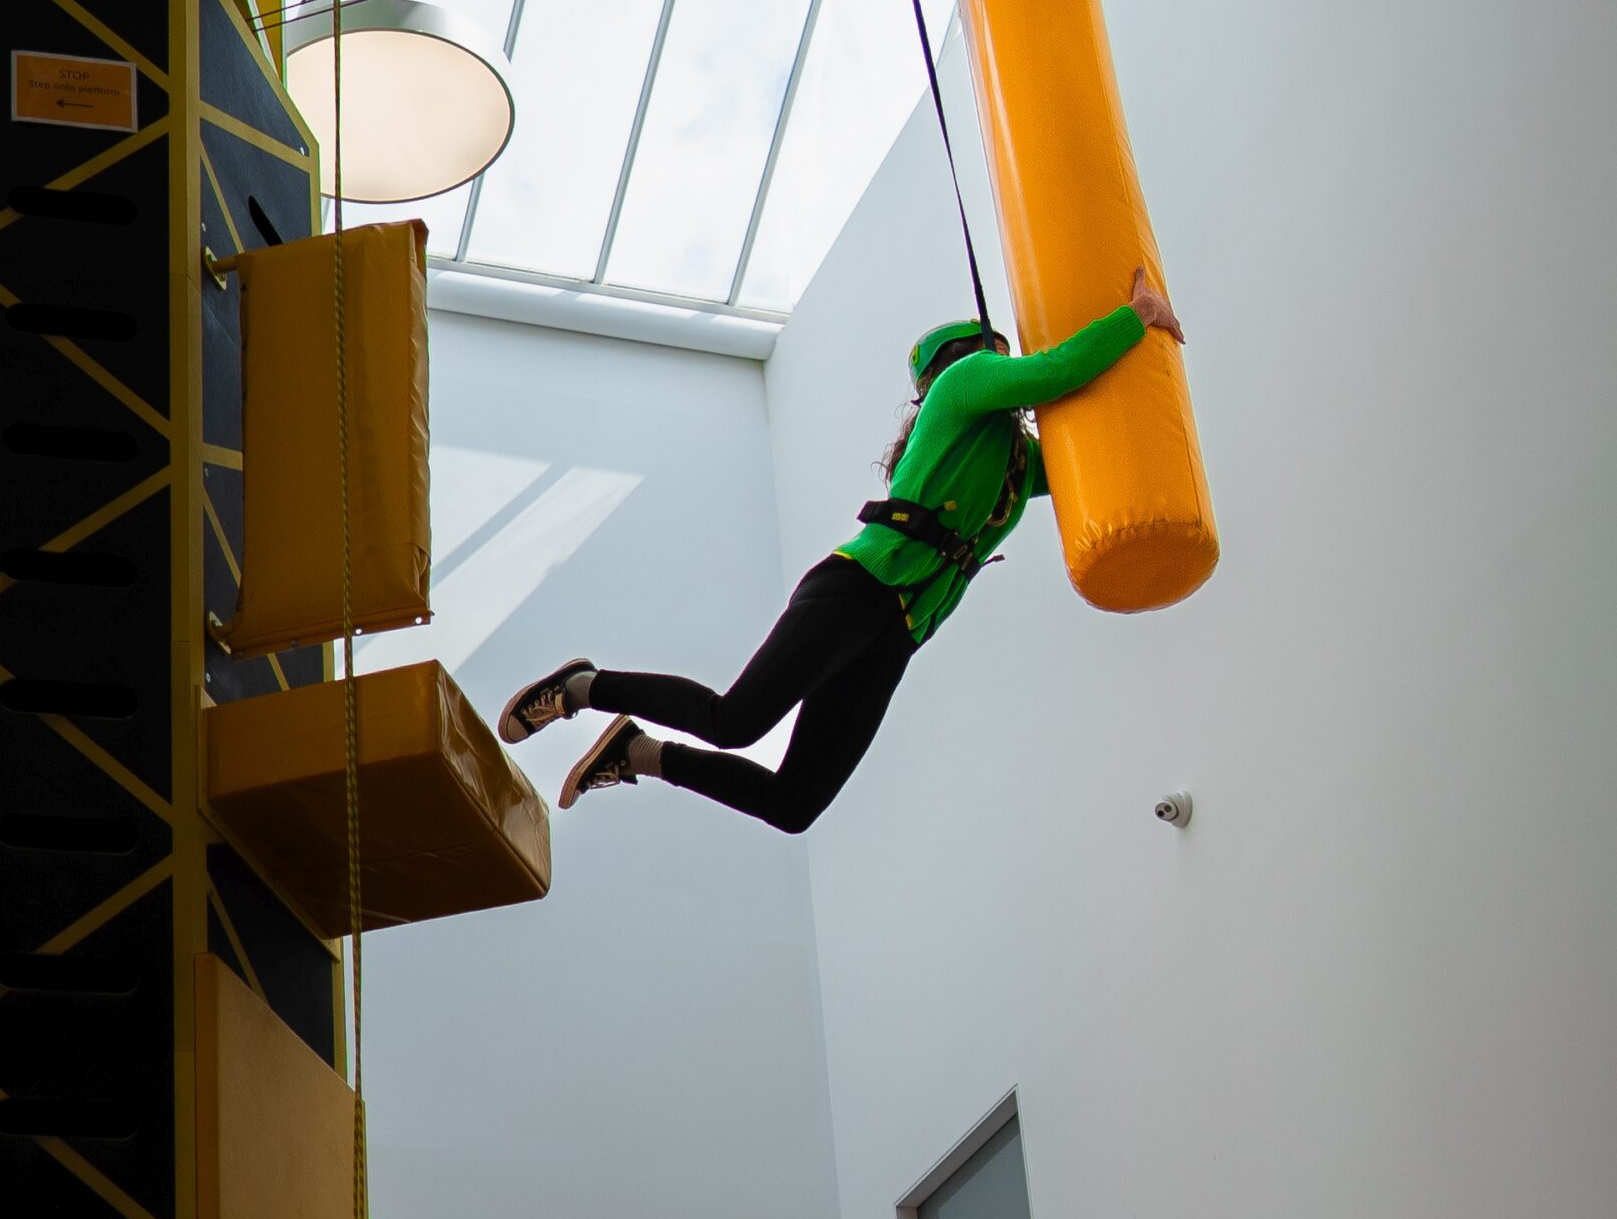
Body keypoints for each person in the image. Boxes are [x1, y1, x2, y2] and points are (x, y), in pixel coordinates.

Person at [501, 269, 1186, 828]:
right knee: (733, 720)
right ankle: (582, 688)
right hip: (858, 589)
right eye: (995, 351)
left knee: (794, 804)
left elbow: (1075, 470)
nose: (1003, 364)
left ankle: (638, 753)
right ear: (962, 360)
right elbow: (1059, 371)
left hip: (894, 637)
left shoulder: (1015, 463)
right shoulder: (962, 386)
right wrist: (1137, 317)